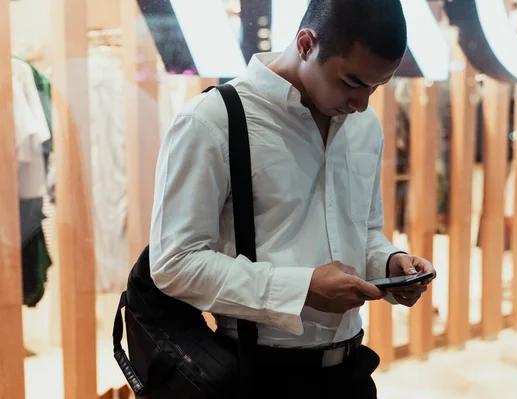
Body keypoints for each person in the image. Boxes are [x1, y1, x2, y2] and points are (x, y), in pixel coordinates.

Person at [149, 0, 437, 397]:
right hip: (259, 375)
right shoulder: (211, 121)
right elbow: (174, 263)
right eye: (352, 83)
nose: (362, 103)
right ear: (305, 44)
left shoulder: (364, 125)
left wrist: (388, 262)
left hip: (351, 372)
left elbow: (364, 231)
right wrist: (301, 289)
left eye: (376, 87)